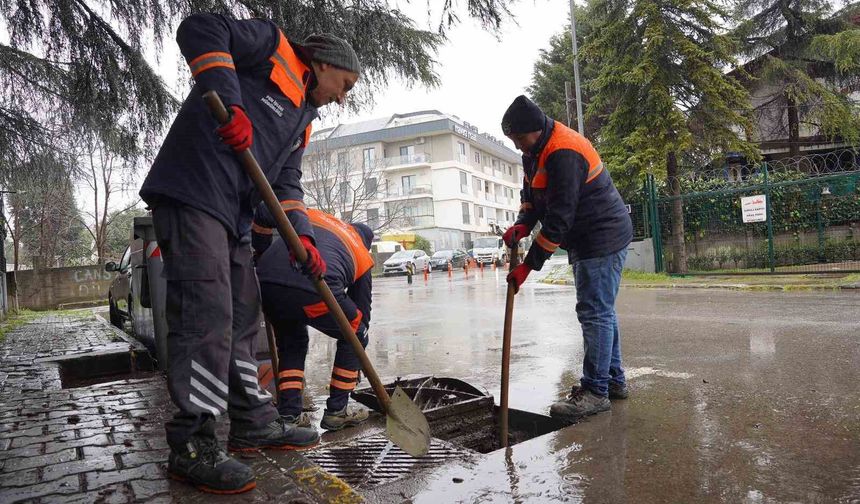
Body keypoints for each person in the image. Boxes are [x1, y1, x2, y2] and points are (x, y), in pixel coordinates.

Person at [138, 12, 361, 494]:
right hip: (194, 191)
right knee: (207, 314)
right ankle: (192, 443)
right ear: (322, 64)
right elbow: (200, 28)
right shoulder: (271, 45)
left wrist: (301, 237)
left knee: (244, 318)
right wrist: (231, 102)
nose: (343, 97)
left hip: (234, 213)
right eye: (344, 84)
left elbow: (286, 184)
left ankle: (253, 421)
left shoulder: (302, 117)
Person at [500, 95, 633, 424]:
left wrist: (527, 266)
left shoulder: (564, 151)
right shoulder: (534, 152)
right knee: (600, 310)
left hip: (602, 235)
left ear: (533, 130)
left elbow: (559, 218)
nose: (517, 147)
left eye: (518, 139)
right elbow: (530, 197)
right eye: (513, 141)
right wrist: (522, 224)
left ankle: (595, 392)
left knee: (594, 312)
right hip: (588, 236)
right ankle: (613, 382)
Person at [252, 208, 373, 431]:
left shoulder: (313, 215)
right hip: (311, 285)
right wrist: (353, 360)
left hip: (265, 283)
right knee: (356, 331)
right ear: (367, 243)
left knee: (292, 343)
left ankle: (289, 415)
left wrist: (262, 254)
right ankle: (338, 411)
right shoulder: (361, 253)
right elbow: (361, 315)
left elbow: (261, 214)